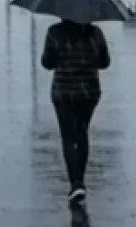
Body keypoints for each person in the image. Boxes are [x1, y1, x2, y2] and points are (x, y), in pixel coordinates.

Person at [41, 18, 111, 204]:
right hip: (89, 91)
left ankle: (76, 183)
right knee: (82, 133)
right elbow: (104, 62)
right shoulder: (95, 33)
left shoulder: (54, 32)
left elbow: (47, 63)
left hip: (63, 92)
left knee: (68, 136)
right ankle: (80, 181)